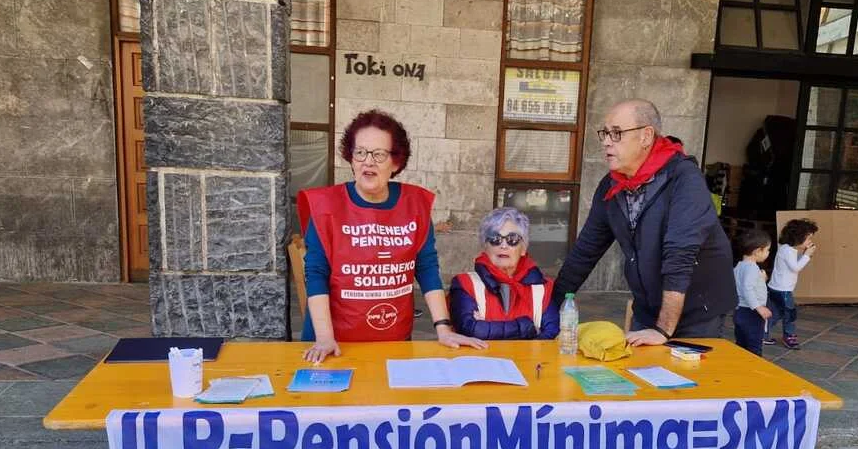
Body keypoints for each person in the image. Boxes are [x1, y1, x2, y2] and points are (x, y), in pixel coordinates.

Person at [297, 109, 486, 362]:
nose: (368, 161)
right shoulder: (326, 206)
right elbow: (316, 273)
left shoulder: (414, 205)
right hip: (332, 343)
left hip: (394, 338)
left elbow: (427, 267)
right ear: (351, 158)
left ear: (395, 163)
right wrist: (324, 338)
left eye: (379, 154)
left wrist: (443, 328)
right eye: (360, 152)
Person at [553, 99, 736, 345]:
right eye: (605, 133)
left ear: (646, 136)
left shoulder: (684, 179)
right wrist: (550, 307)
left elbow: (680, 255)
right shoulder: (612, 186)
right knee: (642, 368)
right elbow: (586, 251)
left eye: (616, 133)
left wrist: (663, 330)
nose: (606, 141)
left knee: (683, 370)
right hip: (648, 309)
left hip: (698, 312)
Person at [448, 207, 559, 340]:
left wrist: (487, 327)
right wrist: (527, 327)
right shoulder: (465, 284)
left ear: (523, 249)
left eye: (512, 239)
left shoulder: (543, 288)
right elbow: (470, 329)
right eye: (495, 239)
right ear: (485, 246)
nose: (504, 245)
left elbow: (551, 334)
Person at [767, 218, 819, 349]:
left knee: (776, 313)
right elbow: (796, 267)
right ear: (798, 237)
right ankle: (789, 336)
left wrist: (805, 254)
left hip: (776, 287)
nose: (810, 241)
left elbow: (793, 265)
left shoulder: (786, 249)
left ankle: (762, 334)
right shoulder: (788, 251)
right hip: (783, 290)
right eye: (808, 238)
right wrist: (807, 255)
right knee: (790, 314)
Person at [733, 229, 772, 356]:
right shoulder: (752, 268)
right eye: (767, 250)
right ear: (757, 251)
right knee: (754, 346)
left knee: (741, 345)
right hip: (751, 313)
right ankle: (755, 366)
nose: (768, 253)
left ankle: (742, 364)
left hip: (740, 311)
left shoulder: (739, 266)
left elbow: (741, 285)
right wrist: (759, 307)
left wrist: (761, 280)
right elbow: (747, 288)